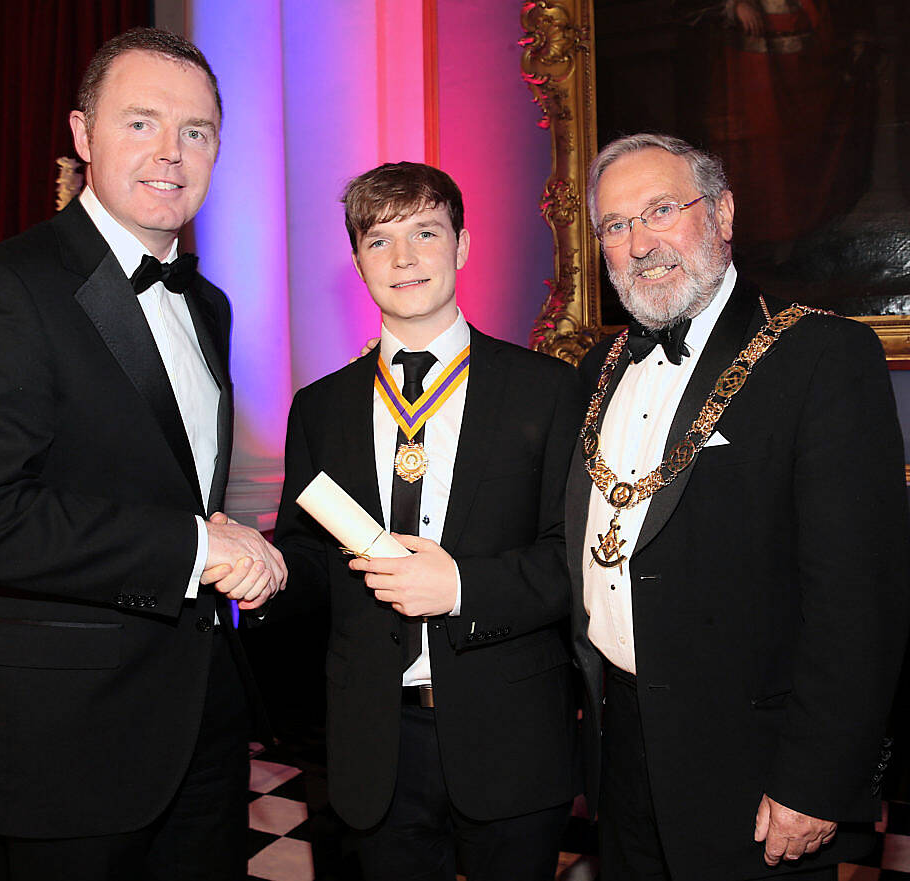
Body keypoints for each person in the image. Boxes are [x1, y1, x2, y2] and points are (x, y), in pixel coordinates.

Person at [0, 27, 284, 881]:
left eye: (196, 131)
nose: (171, 152)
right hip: (66, 737)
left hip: (202, 720)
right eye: (141, 123)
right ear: (83, 136)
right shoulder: (2, 288)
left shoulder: (211, 303)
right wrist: (197, 547)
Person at [565, 132, 910, 881]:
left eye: (661, 209)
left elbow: (860, 601)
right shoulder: (597, 369)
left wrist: (817, 781)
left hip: (754, 770)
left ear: (721, 214)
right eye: (616, 226)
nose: (640, 242)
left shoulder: (822, 357)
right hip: (620, 755)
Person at [272, 161, 584, 881]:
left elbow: (574, 559)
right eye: (379, 241)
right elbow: (309, 558)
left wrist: (462, 587)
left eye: (425, 233)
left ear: (463, 245)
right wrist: (263, 571)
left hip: (510, 731)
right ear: (357, 261)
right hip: (374, 738)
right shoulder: (318, 408)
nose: (404, 258)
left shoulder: (545, 390)